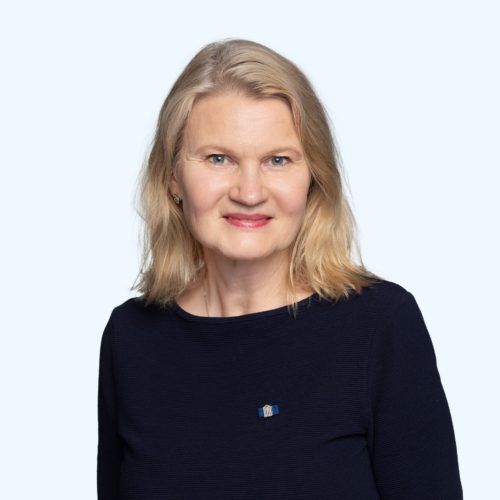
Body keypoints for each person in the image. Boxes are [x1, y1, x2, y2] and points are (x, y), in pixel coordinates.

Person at [97, 38, 463, 499]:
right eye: (218, 159)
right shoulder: (131, 339)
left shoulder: (380, 326)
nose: (249, 192)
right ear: (172, 176)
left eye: (277, 160)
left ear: (313, 177)